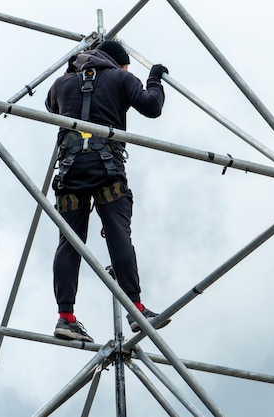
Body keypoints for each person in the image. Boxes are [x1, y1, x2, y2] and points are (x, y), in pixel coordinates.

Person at [45, 40, 170, 342]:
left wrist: (75, 71)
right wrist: (153, 78)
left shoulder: (62, 84)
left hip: (71, 171)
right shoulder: (121, 77)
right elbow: (152, 107)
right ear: (118, 63)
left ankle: (65, 317)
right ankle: (136, 309)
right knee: (118, 235)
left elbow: (51, 106)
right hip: (107, 170)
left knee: (69, 243)